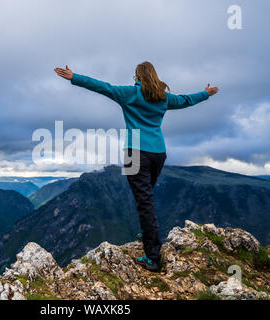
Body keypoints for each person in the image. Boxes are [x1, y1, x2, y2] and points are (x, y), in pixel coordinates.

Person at [54, 61, 219, 272]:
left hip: (134, 153)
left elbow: (102, 86)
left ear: (137, 77)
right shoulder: (163, 97)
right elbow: (186, 100)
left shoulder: (129, 94)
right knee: (146, 197)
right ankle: (148, 234)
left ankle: (152, 256)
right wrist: (206, 93)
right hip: (158, 153)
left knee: (144, 201)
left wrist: (74, 77)